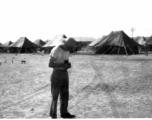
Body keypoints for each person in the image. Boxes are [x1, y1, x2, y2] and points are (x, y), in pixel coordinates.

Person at [48, 37, 77, 118]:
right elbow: (50, 64)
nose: (69, 49)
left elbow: (65, 61)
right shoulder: (56, 50)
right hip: (56, 74)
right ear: (66, 44)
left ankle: (64, 113)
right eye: (69, 47)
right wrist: (62, 65)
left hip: (65, 74)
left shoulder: (67, 51)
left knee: (65, 94)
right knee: (55, 95)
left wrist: (67, 65)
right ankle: (53, 115)